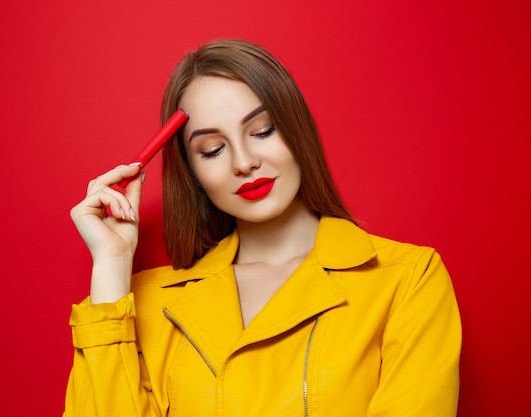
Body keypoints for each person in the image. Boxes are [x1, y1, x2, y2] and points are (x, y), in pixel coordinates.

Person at [64, 39, 461, 417]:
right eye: (212, 149)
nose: (244, 161)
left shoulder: (406, 280)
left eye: (263, 130)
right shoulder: (150, 303)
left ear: (297, 130)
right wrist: (112, 265)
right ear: (193, 173)